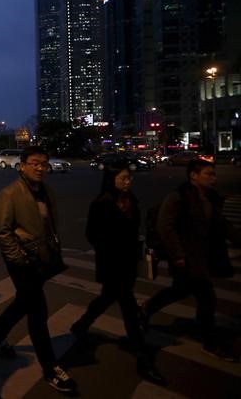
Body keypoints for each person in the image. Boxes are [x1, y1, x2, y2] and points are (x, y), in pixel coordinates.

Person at [0, 146, 77, 393]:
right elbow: (2, 232)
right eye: (35, 163)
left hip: (42, 257)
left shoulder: (46, 191)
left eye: (43, 163)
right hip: (22, 259)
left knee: (25, 301)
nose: (40, 168)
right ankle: (51, 369)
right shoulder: (10, 193)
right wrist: (19, 258)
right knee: (38, 311)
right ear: (22, 165)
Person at [70, 164, 165, 383]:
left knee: (107, 297)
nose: (127, 182)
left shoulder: (132, 201)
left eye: (129, 178)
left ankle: (81, 325)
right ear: (111, 179)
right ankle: (142, 355)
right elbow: (91, 233)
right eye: (122, 178)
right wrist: (111, 245)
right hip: (112, 262)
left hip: (128, 261)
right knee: (128, 306)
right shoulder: (101, 203)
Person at [140, 159, 240, 360]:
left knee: (180, 290)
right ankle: (210, 342)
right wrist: (177, 255)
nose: (213, 178)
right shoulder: (178, 197)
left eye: (214, 174)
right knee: (207, 297)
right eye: (208, 174)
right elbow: (165, 227)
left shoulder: (212, 198)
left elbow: (223, 225)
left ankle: (146, 309)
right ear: (193, 176)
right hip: (186, 257)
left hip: (203, 256)